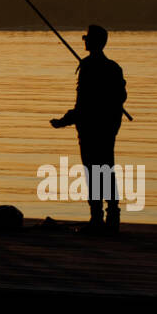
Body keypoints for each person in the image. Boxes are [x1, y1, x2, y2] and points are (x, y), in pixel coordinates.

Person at [50, 23, 127, 234]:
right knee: (107, 171)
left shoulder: (87, 68)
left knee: (93, 173)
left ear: (95, 42)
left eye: (87, 38)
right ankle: (112, 217)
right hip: (107, 130)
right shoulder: (113, 68)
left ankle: (96, 219)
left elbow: (82, 105)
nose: (84, 41)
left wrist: (62, 121)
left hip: (91, 131)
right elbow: (120, 99)